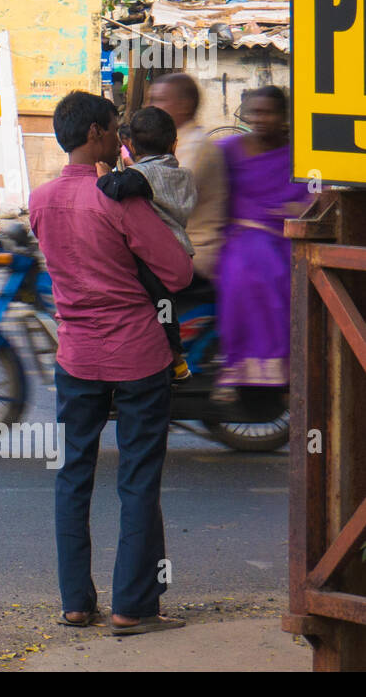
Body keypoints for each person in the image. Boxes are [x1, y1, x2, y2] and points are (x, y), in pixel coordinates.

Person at [30, 92, 193, 635]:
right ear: (97, 133)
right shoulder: (117, 198)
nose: (120, 136)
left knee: (73, 474)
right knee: (138, 478)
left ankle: (76, 603)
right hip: (138, 353)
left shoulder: (41, 198)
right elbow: (176, 274)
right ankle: (133, 606)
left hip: (76, 355)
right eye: (114, 128)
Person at [213, 86, 307, 399]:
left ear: (283, 117)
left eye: (269, 112)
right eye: (255, 112)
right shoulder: (227, 150)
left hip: (286, 235)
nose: (261, 119)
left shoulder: (297, 153)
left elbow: (312, 197)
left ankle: (284, 368)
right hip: (241, 235)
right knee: (246, 269)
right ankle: (239, 363)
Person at [96, 106, 198, 382]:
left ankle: (173, 361)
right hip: (178, 250)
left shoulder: (143, 176)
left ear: (129, 145)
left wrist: (104, 174)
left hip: (155, 258)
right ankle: (175, 359)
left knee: (159, 309)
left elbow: (115, 188)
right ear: (174, 144)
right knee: (166, 309)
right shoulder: (182, 173)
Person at [147, 73, 227, 283]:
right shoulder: (175, 143)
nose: (151, 107)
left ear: (184, 105)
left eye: (159, 100)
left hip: (194, 255)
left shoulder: (196, 147)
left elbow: (163, 197)